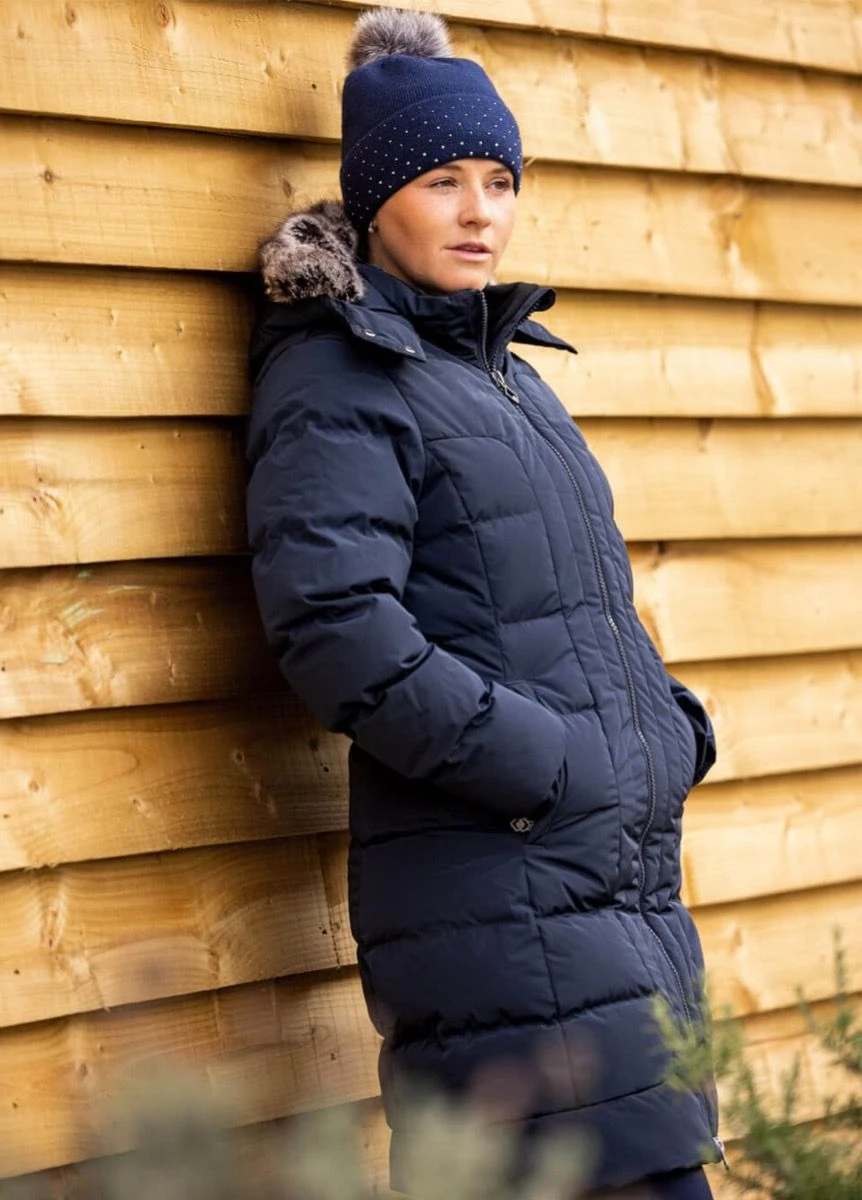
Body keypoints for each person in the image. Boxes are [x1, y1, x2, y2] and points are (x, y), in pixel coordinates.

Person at [246, 8, 721, 1197]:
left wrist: (668, 729)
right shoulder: (340, 373)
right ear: (376, 201)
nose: (479, 212)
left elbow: (576, 606)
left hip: (608, 890)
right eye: (442, 181)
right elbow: (338, 631)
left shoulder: (502, 376)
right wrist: (548, 765)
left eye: (499, 181)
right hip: (494, 888)